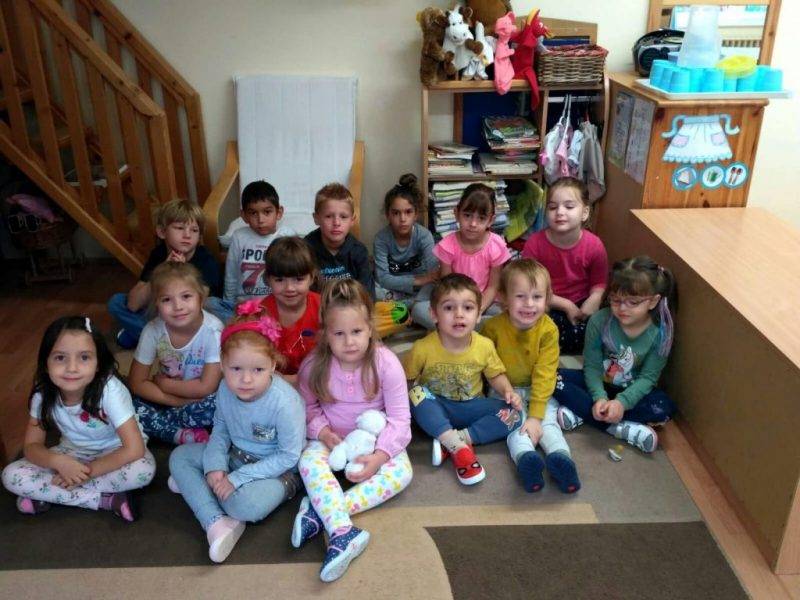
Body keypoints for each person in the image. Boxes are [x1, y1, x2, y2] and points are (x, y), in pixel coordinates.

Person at [292, 279, 413, 582]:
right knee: (307, 461)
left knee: (402, 474)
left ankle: (322, 511)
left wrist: (380, 456)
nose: (349, 342)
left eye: (357, 331)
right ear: (325, 334)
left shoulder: (386, 363)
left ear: (370, 328)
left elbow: (400, 419)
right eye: (339, 334)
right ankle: (343, 532)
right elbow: (306, 409)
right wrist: (322, 433)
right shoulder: (313, 365)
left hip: (374, 439)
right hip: (331, 438)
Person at [169, 304, 305, 563]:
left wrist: (238, 478)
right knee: (180, 457)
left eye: (258, 370)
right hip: (236, 456)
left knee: (244, 506)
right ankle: (215, 522)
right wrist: (215, 465)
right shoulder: (224, 388)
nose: (246, 380)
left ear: (273, 365)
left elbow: (289, 457)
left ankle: (198, 490)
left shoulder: (286, 403)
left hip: (277, 471)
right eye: (236, 369)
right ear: (222, 364)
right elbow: (220, 429)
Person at [2, 316, 154, 521]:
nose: (72, 368)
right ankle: (105, 500)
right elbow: (31, 446)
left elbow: (134, 449)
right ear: (46, 363)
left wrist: (85, 474)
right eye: (60, 358)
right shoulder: (43, 394)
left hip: (116, 450)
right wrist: (59, 462)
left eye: (84, 357)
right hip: (72, 452)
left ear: (98, 363)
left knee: (143, 472)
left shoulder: (111, 390)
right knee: (11, 476)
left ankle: (50, 494)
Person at [404, 273, 522, 486]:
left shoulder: (484, 345)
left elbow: (495, 375)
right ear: (434, 314)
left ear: (478, 315)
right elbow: (407, 382)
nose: (459, 315)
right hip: (436, 407)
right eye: (449, 308)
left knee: (515, 414)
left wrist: (508, 391)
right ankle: (457, 446)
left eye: (467, 308)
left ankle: (454, 440)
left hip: (472, 407)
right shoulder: (422, 348)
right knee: (415, 394)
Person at [554, 256, 677, 453]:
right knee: (553, 378)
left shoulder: (661, 333)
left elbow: (648, 378)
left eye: (633, 302)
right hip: (597, 385)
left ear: (653, 301)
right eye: (616, 300)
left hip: (632, 392)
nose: (622, 308)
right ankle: (619, 427)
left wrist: (622, 403)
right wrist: (599, 398)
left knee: (663, 408)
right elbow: (592, 366)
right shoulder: (599, 321)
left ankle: (584, 413)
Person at [482, 260, 580, 493]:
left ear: (547, 299)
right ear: (504, 298)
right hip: (503, 390)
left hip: (539, 389)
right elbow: (486, 365)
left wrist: (535, 416)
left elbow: (545, 374)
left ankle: (561, 458)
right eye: (520, 296)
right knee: (514, 425)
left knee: (548, 424)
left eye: (537, 297)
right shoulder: (492, 328)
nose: (529, 304)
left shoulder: (548, 329)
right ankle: (526, 459)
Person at [128, 262, 223, 445]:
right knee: (127, 404)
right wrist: (176, 401)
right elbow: (136, 383)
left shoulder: (213, 331)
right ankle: (181, 433)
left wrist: (164, 384)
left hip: (202, 401)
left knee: (221, 403)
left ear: (201, 297)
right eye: (166, 300)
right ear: (156, 303)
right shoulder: (152, 330)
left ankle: (169, 429)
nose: (178, 306)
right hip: (168, 400)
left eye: (186, 296)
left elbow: (206, 387)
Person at [108, 199, 221, 349]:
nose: (187, 235)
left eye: (194, 230)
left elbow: (196, 305)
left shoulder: (205, 259)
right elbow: (133, 304)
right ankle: (162, 340)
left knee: (214, 306)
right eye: (180, 228)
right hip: (164, 312)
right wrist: (163, 271)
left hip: (193, 319)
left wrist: (180, 272)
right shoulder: (158, 254)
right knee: (116, 302)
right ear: (162, 232)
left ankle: (148, 337)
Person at [521, 177, 608, 354]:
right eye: (553, 207)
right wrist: (566, 305)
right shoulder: (534, 244)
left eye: (569, 207)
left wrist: (594, 299)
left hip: (583, 303)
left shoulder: (594, 245)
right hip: (546, 301)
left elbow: (599, 283)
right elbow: (529, 286)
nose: (560, 212)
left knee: (599, 330)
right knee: (536, 332)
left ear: (584, 212)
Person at [206, 180, 294, 323]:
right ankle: (242, 322)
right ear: (244, 216)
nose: (260, 219)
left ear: (279, 213)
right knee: (209, 303)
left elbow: (293, 273)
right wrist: (230, 303)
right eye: (253, 213)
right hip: (243, 307)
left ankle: (255, 325)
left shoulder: (286, 236)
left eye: (267, 212)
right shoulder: (239, 237)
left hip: (274, 306)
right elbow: (231, 274)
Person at [373, 174, 440, 329]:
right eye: (396, 213)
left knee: (436, 290)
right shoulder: (381, 239)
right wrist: (419, 280)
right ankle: (409, 310)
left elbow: (434, 275)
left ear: (416, 214)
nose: (402, 219)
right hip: (392, 290)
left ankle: (405, 310)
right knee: (374, 290)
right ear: (388, 215)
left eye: (408, 212)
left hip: (420, 292)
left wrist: (425, 282)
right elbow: (383, 279)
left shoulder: (424, 236)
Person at [433, 183, 510, 317]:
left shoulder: (496, 245)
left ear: (491, 220)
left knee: (502, 315)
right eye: (467, 215)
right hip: (456, 301)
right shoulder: (447, 245)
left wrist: (477, 311)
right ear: (456, 214)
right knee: (421, 310)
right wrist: (461, 311)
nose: (473, 224)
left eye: (481, 218)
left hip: (486, 301)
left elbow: (493, 287)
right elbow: (446, 286)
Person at [260, 236, 321, 384]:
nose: (289, 288)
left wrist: (295, 379)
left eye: (298, 279)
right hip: (272, 384)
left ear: (312, 278)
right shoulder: (260, 313)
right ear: (268, 279)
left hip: (317, 381)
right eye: (279, 280)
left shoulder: (324, 308)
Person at [304, 183, 374, 299]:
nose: (336, 223)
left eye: (343, 217)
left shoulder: (359, 251)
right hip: (317, 306)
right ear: (316, 218)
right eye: (328, 216)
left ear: (352, 220)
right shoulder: (305, 249)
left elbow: (367, 295)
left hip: (350, 306)